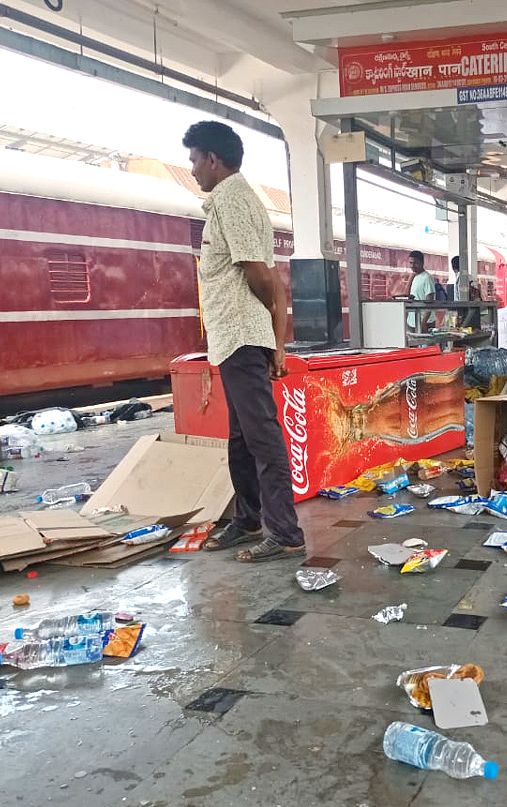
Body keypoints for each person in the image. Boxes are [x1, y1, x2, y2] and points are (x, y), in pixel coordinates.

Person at [182, 120, 305, 563]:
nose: (192, 169)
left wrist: (275, 341)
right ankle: (249, 518)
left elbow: (260, 274)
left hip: (240, 335)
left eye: (195, 159)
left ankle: (286, 533)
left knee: (262, 437)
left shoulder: (233, 200)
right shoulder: (228, 201)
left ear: (213, 159)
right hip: (233, 337)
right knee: (240, 437)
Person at [407, 250, 439, 329]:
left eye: (415, 263)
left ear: (422, 263)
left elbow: (430, 302)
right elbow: (407, 296)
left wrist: (423, 323)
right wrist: (410, 279)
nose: (412, 265)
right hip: (412, 322)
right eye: (410, 263)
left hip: (425, 322)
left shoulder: (427, 278)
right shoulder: (414, 277)